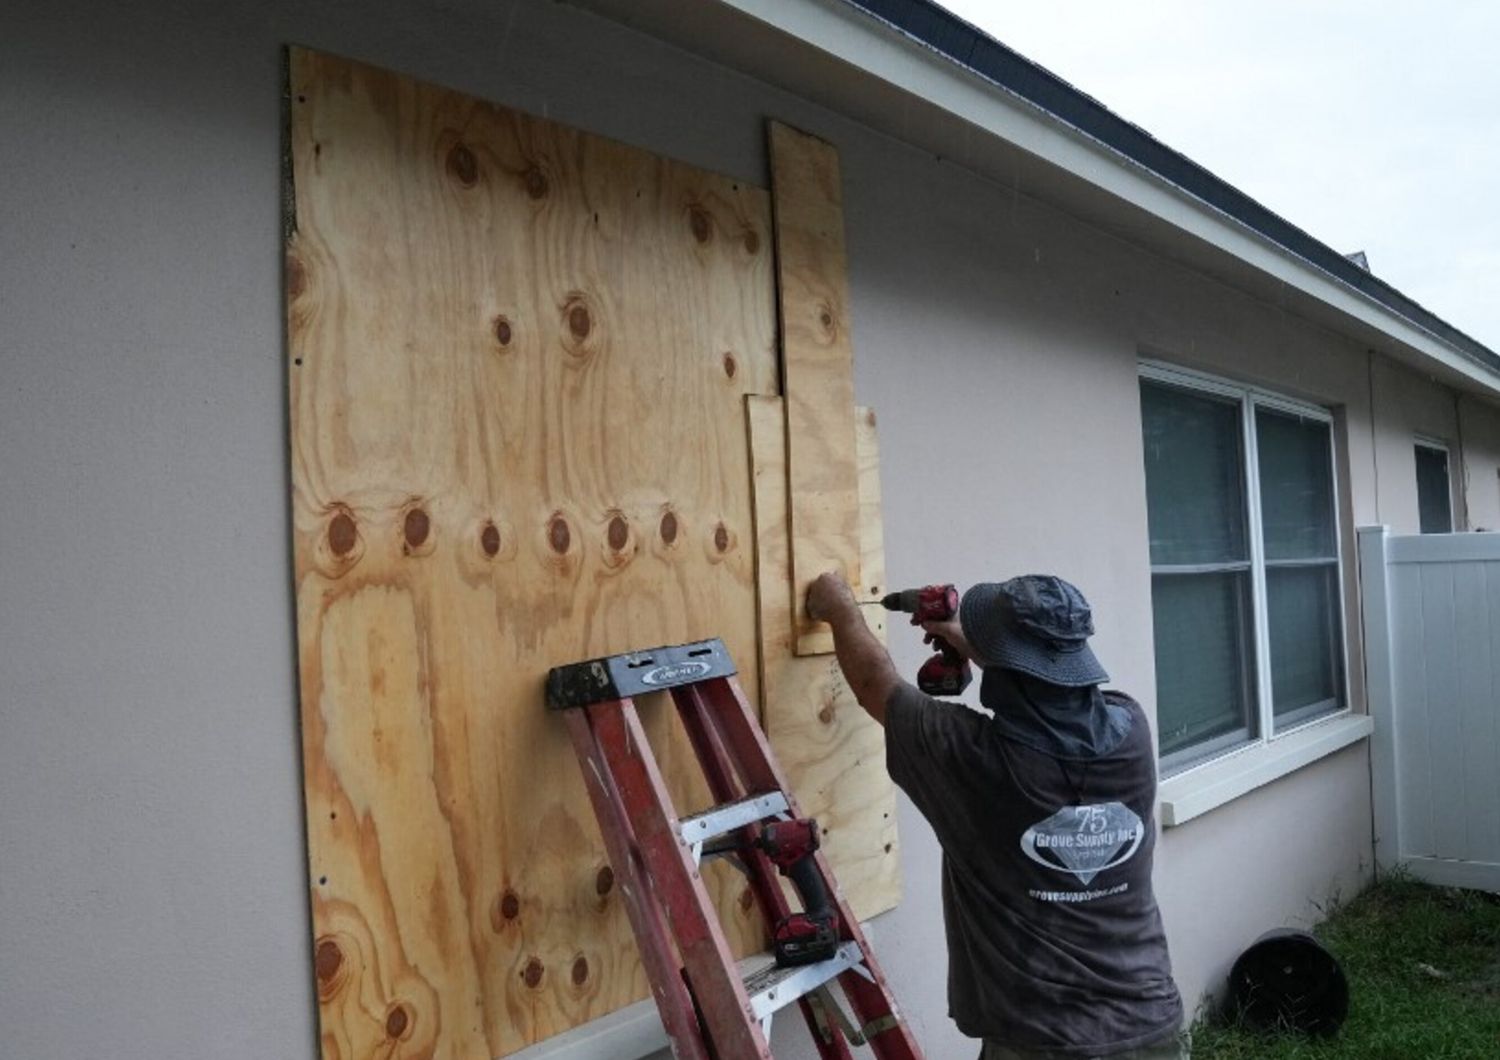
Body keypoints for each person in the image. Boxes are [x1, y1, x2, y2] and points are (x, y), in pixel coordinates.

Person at [806, 571, 1187, 1060]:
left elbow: (873, 683)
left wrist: (839, 608)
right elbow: (1052, 697)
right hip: (1153, 1025)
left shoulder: (974, 759)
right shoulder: (1131, 730)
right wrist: (987, 648)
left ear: (1005, 668)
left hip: (1042, 1042)